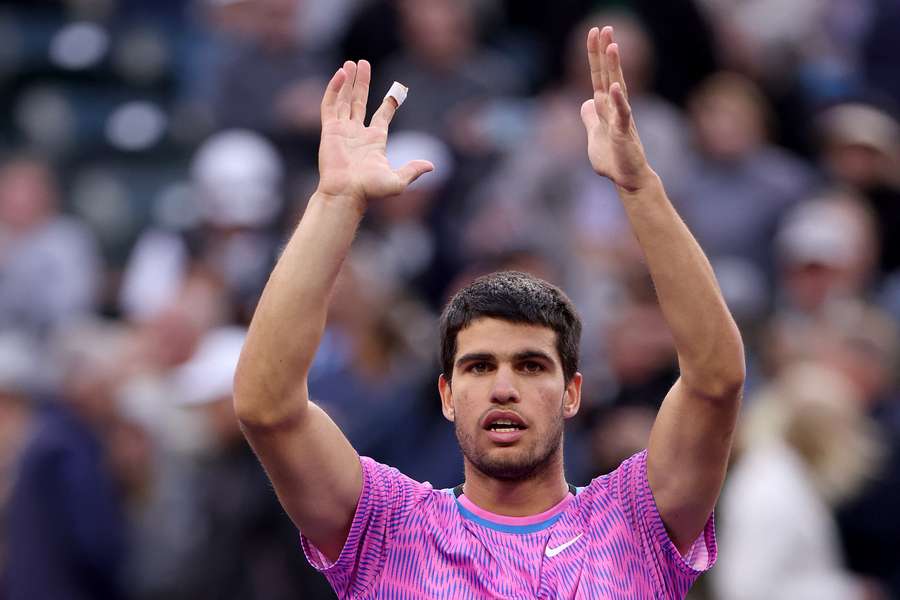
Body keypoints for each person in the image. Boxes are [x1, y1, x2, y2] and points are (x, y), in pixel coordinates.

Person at [234, 26, 745, 598]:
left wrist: (639, 188)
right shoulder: (388, 527)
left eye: (530, 365)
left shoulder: (636, 523)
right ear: (448, 395)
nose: (504, 387)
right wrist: (335, 202)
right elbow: (267, 406)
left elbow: (715, 380)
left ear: (573, 392)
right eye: (479, 367)